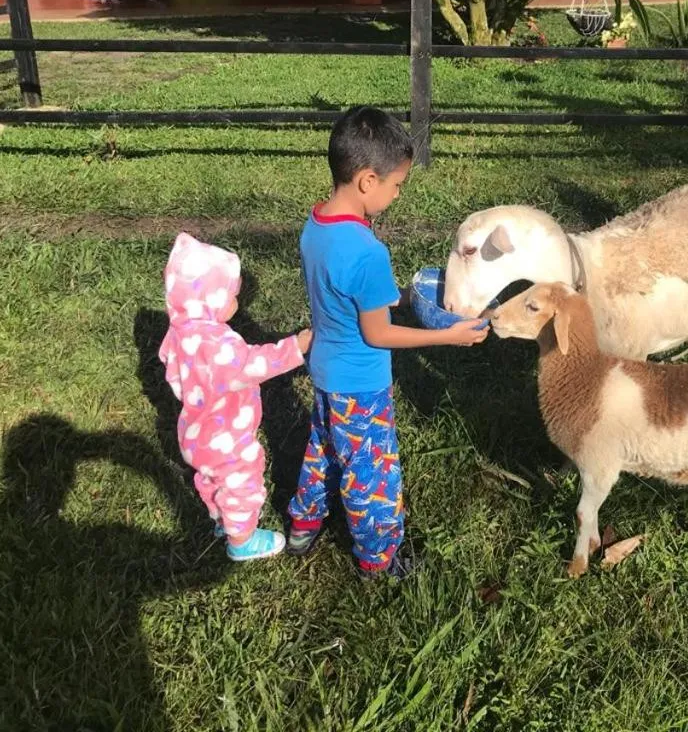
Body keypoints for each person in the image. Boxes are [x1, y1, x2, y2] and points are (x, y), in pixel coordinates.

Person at [285, 106, 488, 578]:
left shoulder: (315, 225)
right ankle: (379, 557)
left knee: (324, 451)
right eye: (396, 185)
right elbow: (377, 332)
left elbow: (341, 297)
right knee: (371, 473)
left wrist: (382, 297)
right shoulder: (368, 252)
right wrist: (448, 335)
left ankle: (303, 523)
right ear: (366, 181)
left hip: (324, 372)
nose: (397, 194)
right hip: (361, 385)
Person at [159, 231, 312, 561]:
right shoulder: (218, 345)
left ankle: (220, 519)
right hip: (226, 435)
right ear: (210, 298)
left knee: (209, 478)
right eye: (231, 295)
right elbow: (251, 364)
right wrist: (295, 348)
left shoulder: (179, 332)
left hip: (193, 430)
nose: (236, 301)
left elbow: (173, 372)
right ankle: (242, 540)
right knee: (242, 482)